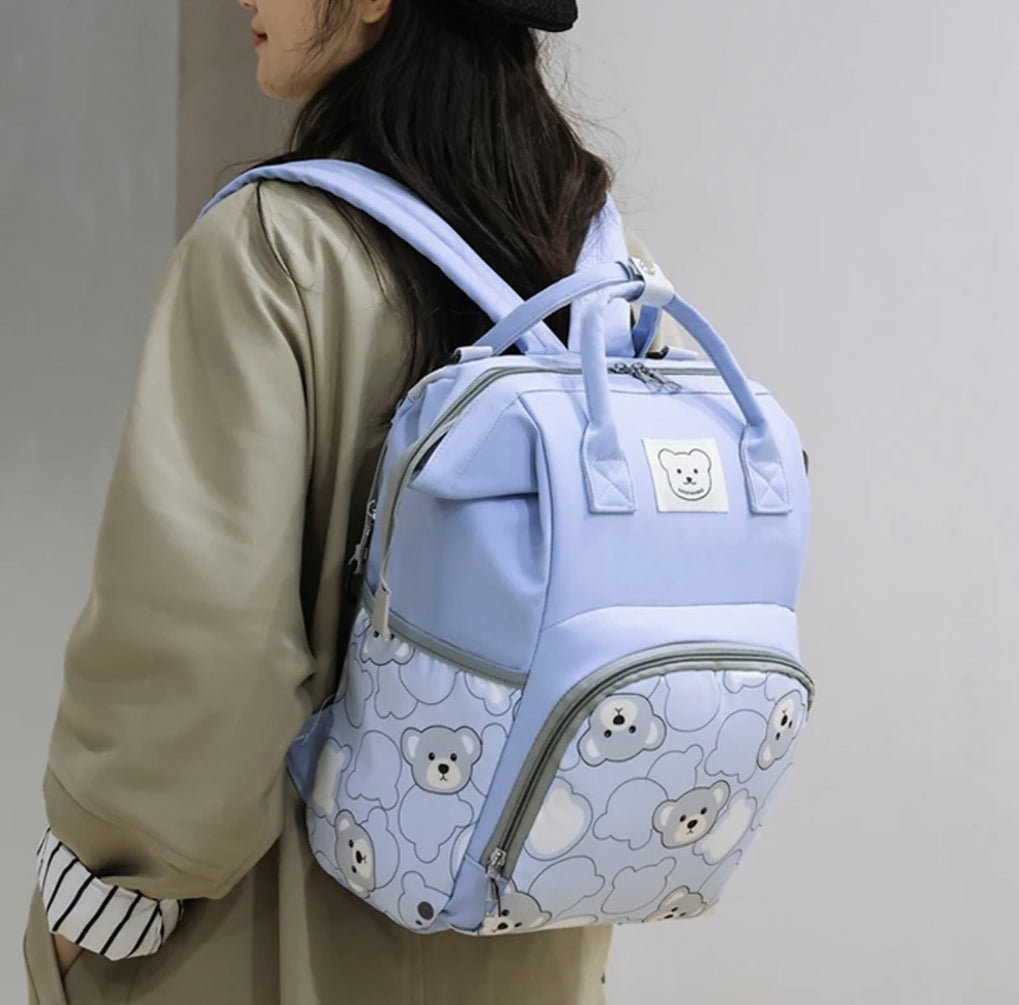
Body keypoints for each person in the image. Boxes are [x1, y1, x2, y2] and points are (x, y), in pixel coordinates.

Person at [23, 0, 684, 1002]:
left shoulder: (272, 250)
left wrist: (98, 892)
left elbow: (202, 654)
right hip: (535, 935)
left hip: (273, 942)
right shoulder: (604, 270)